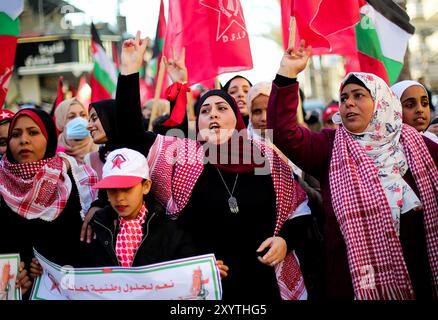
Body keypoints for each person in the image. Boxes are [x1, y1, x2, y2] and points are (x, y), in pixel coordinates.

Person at [109, 32, 313, 300]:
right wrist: (129, 71)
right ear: (199, 124)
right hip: (203, 287)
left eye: (221, 108)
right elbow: (130, 137)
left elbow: (299, 210)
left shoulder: (265, 157)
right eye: (205, 111)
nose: (213, 114)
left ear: (238, 119)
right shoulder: (183, 156)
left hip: (264, 284)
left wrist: (285, 240)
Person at [267, 40, 438, 300]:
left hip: (422, 276)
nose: (348, 103)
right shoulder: (329, 146)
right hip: (356, 284)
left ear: (381, 103)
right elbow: (283, 133)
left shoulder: (419, 146)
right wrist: (287, 74)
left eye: (359, 95)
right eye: (344, 97)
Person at [84, 148, 228, 278]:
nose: (119, 198)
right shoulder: (96, 226)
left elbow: (186, 267)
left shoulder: (169, 231)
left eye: (127, 189)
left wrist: (205, 272)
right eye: (112, 190)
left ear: (145, 186)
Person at [0, 108, 98, 276]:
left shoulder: (73, 178)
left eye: (33, 132)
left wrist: (53, 265)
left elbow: (84, 245)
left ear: (49, 137)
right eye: (15, 135)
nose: (24, 140)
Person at [55, 98, 97, 163]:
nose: (79, 120)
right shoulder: (53, 152)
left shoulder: (100, 149)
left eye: (83, 115)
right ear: (61, 122)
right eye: (72, 116)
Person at [85, 99, 118, 180]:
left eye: (94, 118)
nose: (88, 126)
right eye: (89, 121)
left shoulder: (141, 154)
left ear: (111, 117)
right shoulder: (91, 159)